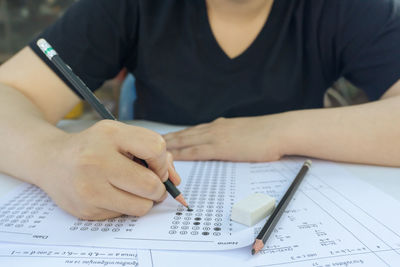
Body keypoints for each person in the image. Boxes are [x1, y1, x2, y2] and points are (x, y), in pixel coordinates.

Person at [0, 0, 399, 220]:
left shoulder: (350, 10)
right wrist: (52, 158)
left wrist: (275, 132)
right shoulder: (126, 7)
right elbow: (9, 91)